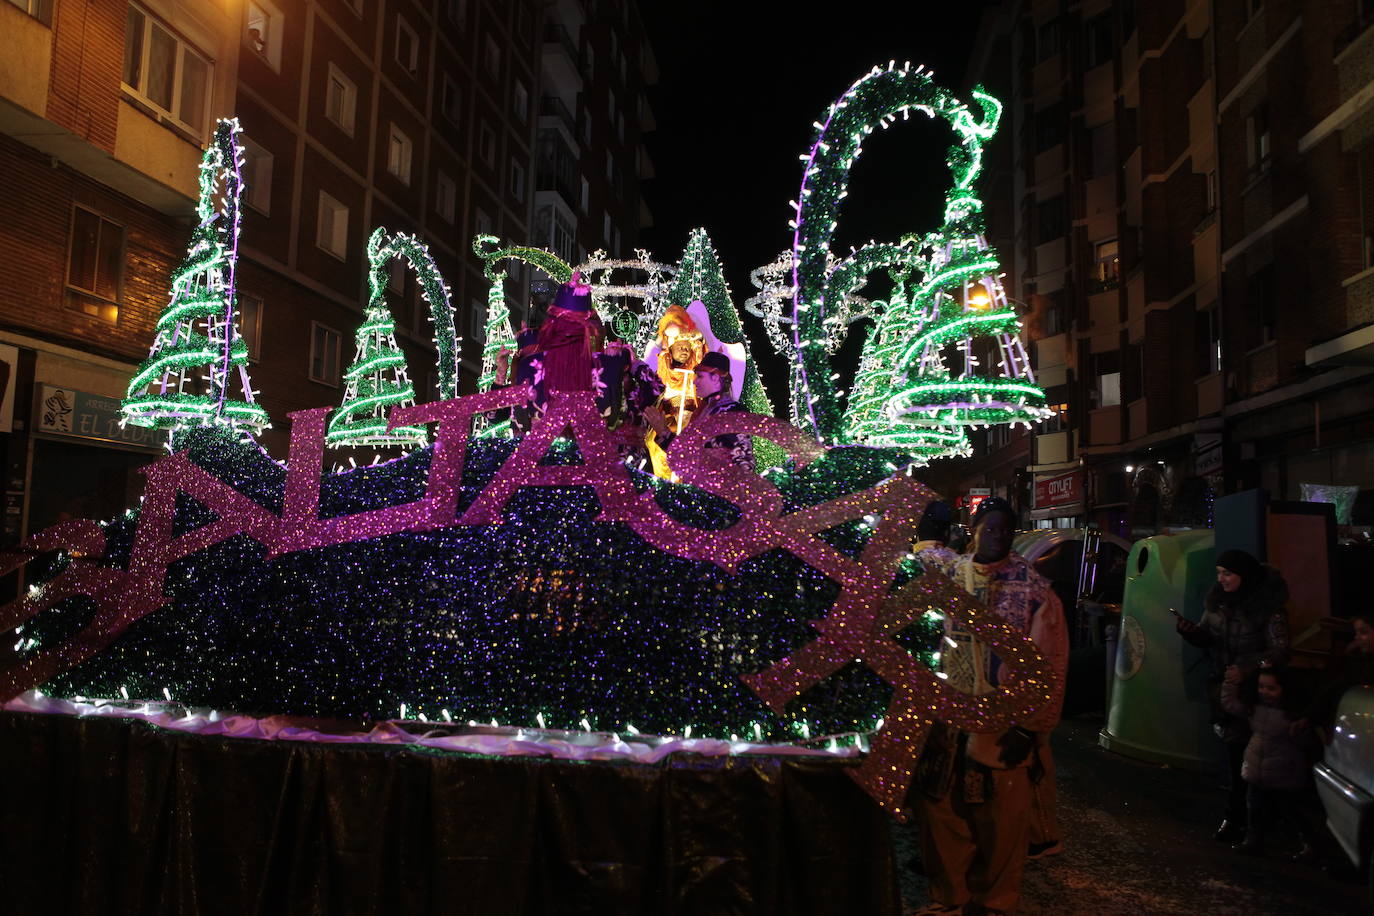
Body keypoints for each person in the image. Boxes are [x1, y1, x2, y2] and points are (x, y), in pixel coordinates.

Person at [913, 497, 1069, 916]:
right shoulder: (949, 575)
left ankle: (996, 903)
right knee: (942, 814)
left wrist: (1031, 729)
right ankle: (949, 898)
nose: (996, 534)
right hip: (948, 720)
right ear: (975, 528)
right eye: (989, 526)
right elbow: (922, 552)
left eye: (1004, 528)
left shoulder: (1034, 591)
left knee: (1000, 823)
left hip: (1001, 724)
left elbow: (1050, 664)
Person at [1176, 548, 1290, 843]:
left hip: (1255, 692)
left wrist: (1248, 669)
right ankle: (1239, 818)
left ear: (1244, 576)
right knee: (1234, 753)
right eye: (1219, 573)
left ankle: (1251, 822)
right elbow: (1208, 637)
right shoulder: (1217, 603)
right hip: (1223, 686)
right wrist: (1190, 632)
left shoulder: (1267, 607)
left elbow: (1278, 649)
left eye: (1227, 574)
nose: (1221, 579)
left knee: (1251, 757)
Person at [1220, 666, 1319, 857]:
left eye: (1271, 688)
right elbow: (1231, 705)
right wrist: (1230, 683)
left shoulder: (1291, 716)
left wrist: (1300, 734)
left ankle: (1310, 843)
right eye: (1261, 687)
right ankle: (1253, 840)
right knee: (1255, 808)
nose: (1264, 692)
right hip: (1258, 767)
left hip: (1284, 770)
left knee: (1291, 810)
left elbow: (1305, 742)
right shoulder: (1255, 708)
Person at [642, 351, 752, 475]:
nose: (694, 382)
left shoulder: (732, 413)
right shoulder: (703, 410)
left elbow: (741, 464)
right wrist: (662, 432)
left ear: (715, 378)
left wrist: (663, 432)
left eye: (699, 376)